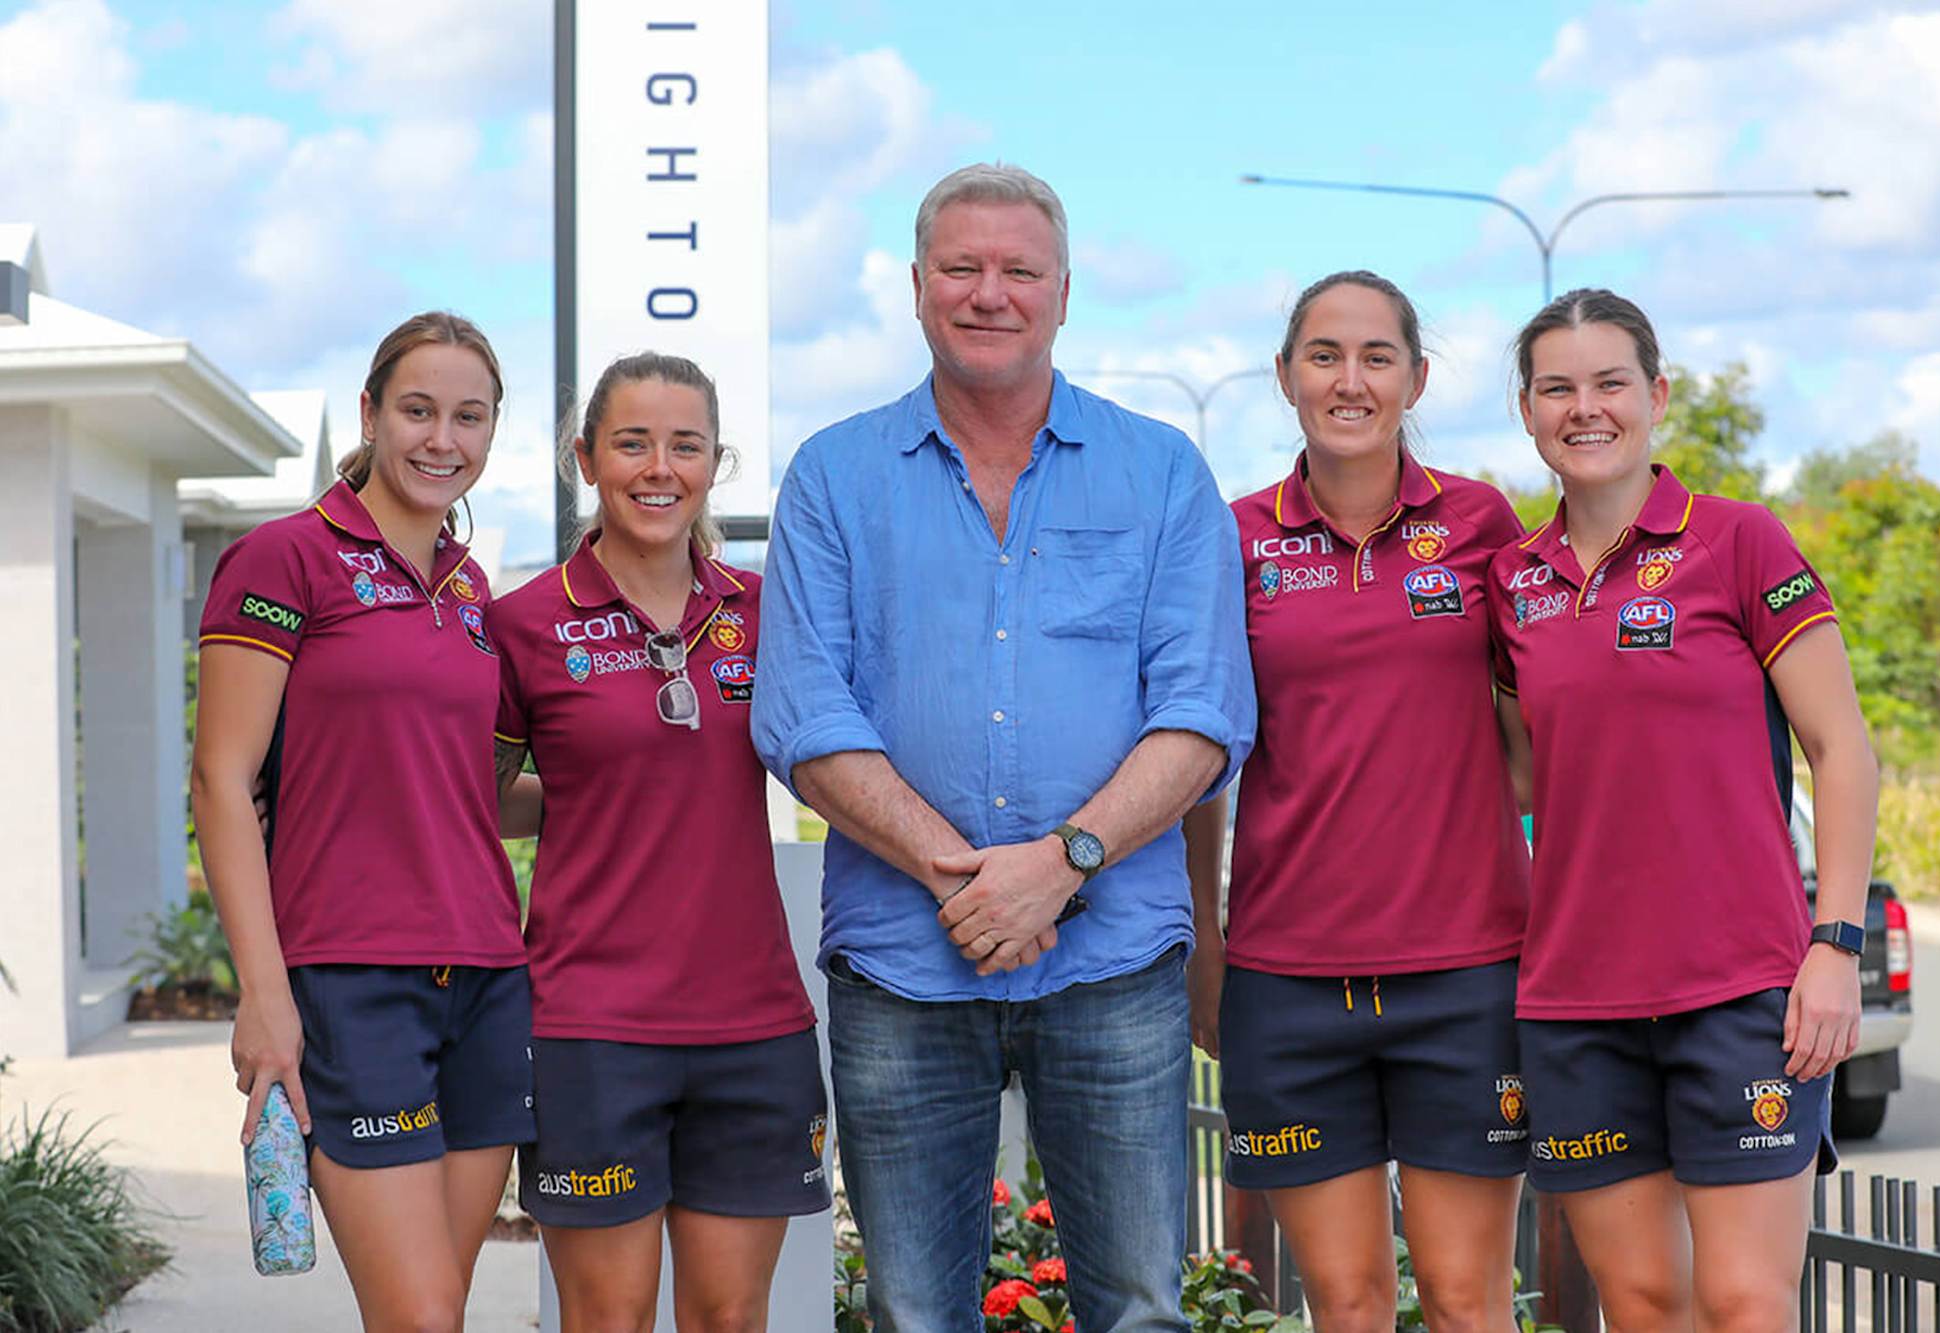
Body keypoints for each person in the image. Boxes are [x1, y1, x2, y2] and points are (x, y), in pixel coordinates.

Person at [752, 162, 1256, 1331]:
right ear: (917, 287)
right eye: (962, 268)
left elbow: (1201, 713)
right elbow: (802, 715)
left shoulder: (1161, 471)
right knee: (915, 1311)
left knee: (1137, 1308)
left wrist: (1060, 862)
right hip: (900, 961)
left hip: (1113, 958)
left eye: (1018, 270)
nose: (991, 292)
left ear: (1064, 293)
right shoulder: (833, 476)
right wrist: (961, 874)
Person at [1488, 288, 1877, 1331]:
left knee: (1744, 1305)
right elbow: (1526, 777)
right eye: (1556, 387)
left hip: (1741, 989)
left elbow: (1842, 751)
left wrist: (1833, 944)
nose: (1585, 407)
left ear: (1654, 395)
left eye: (1609, 382)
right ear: (1525, 412)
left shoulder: (1740, 542)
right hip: (1575, 1004)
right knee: (1643, 1303)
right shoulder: (1510, 584)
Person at [1184, 271, 1534, 1331]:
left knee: (1468, 1299)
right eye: (1324, 355)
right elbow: (1201, 763)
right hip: (1287, 983)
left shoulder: (1478, 522)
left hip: (1465, 975)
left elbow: (1534, 742)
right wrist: (1207, 939)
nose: (1349, 380)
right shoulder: (1230, 538)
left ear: (1415, 378)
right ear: (1283, 375)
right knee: (1344, 1301)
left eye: (1376, 357)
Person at [191, 311, 534, 1330]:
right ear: (370, 414)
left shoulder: (471, 589)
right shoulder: (283, 560)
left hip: (486, 977)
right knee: (421, 1317)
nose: (442, 439)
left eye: (468, 418)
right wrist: (265, 997)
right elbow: (220, 779)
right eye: (419, 410)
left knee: (436, 1310)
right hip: (349, 981)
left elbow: (467, 789)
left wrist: (643, 779)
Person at [487, 353, 827, 1332]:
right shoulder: (526, 624)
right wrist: (584, 800)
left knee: (729, 1316)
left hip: (754, 1024)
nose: (658, 467)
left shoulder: (763, 613)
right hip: (590, 1025)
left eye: (684, 445)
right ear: (585, 456)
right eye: (631, 442)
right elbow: (478, 799)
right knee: (609, 1318)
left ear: (715, 462)